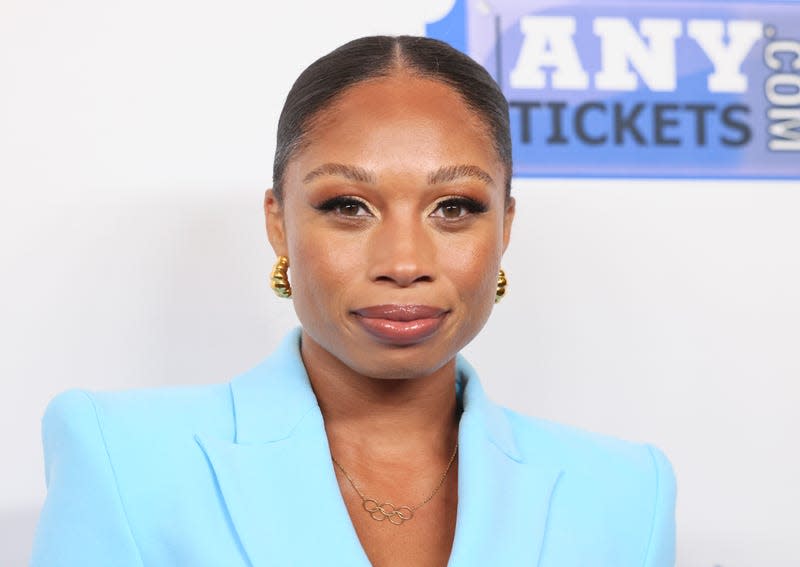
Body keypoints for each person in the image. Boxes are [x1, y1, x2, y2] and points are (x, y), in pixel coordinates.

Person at [30, 35, 676, 567]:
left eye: (455, 208)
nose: (403, 263)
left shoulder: (625, 493)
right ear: (278, 221)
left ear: (505, 226)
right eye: (348, 206)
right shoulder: (123, 458)